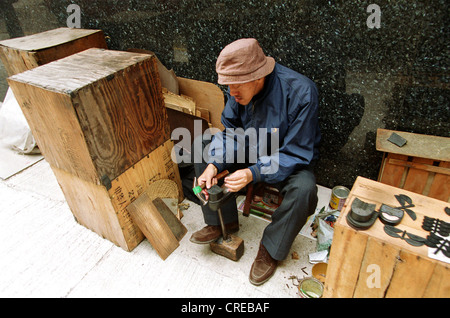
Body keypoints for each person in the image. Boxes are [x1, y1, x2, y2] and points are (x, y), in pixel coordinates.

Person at [190, 38, 321, 286]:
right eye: (227, 85)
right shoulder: (237, 91)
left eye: (236, 85)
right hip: (251, 147)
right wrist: (214, 165)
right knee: (203, 148)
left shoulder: (302, 92)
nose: (231, 92)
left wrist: (253, 173)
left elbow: (295, 152)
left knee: (304, 190)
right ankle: (221, 221)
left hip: (287, 158)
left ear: (258, 76)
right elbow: (230, 132)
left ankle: (271, 249)